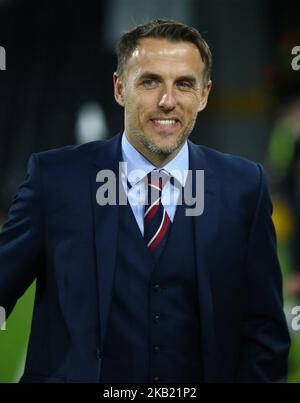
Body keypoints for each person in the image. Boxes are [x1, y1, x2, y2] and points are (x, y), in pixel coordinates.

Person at [0, 19, 290, 383]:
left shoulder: (245, 186)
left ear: (204, 95)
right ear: (120, 88)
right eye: (150, 81)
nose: (167, 101)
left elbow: (263, 329)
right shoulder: (54, 178)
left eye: (183, 84)